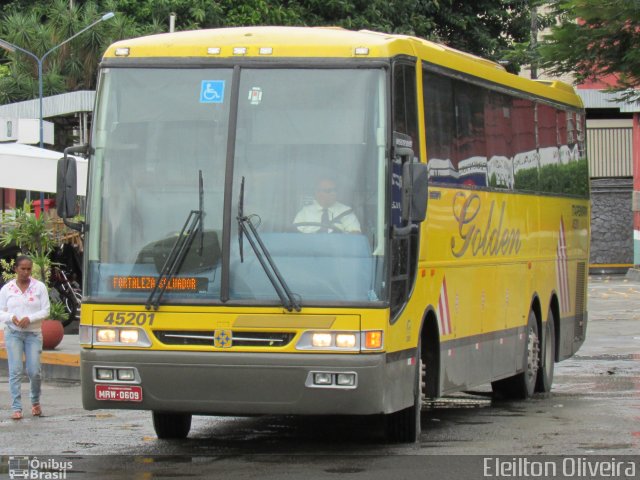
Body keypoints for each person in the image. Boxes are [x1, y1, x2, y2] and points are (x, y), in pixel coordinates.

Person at [0, 255, 50, 420]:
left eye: (29, 269)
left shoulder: (39, 287)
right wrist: (11, 317)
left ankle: (35, 401)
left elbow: (46, 310)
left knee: (34, 371)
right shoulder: (7, 289)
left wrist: (30, 318)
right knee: (15, 370)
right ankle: (16, 407)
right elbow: (1, 311)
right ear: (16, 269)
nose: (26, 272)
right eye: (22, 269)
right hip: (13, 333)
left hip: (33, 334)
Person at [293, 178, 361, 233]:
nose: (333, 193)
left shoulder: (346, 212)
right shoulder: (305, 213)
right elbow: (295, 236)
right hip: (309, 249)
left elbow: (355, 236)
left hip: (338, 249)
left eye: (335, 190)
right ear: (317, 193)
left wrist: (340, 234)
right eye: (328, 191)